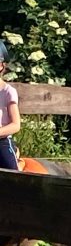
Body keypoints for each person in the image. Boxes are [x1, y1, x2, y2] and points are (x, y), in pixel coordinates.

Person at [0, 40, 20, 171]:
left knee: (12, 174)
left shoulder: (8, 92)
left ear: (1, 66)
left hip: (1, 142)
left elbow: (16, 125)